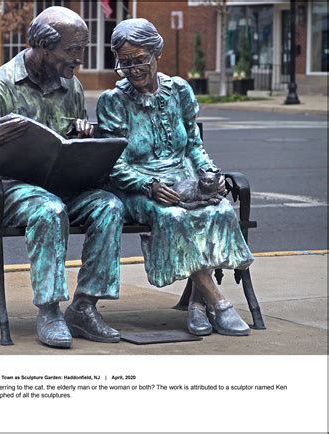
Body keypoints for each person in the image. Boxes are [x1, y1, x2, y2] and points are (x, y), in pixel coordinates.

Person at [0, 7, 124, 348]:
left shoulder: (72, 87)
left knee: (109, 206)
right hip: (15, 191)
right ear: (42, 47)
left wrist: (84, 136)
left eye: (82, 50)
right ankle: (50, 310)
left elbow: (69, 145)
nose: (79, 60)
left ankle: (84, 306)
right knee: (50, 210)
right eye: (72, 51)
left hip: (65, 184)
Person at [97, 18, 254, 336]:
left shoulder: (179, 90)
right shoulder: (113, 102)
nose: (133, 68)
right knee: (175, 217)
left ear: (156, 54)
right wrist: (150, 186)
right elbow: (114, 164)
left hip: (183, 181)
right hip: (138, 190)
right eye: (125, 63)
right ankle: (219, 304)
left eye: (139, 59)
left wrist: (210, 174)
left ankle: (197, 306)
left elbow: (194, 147)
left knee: (219, 210)